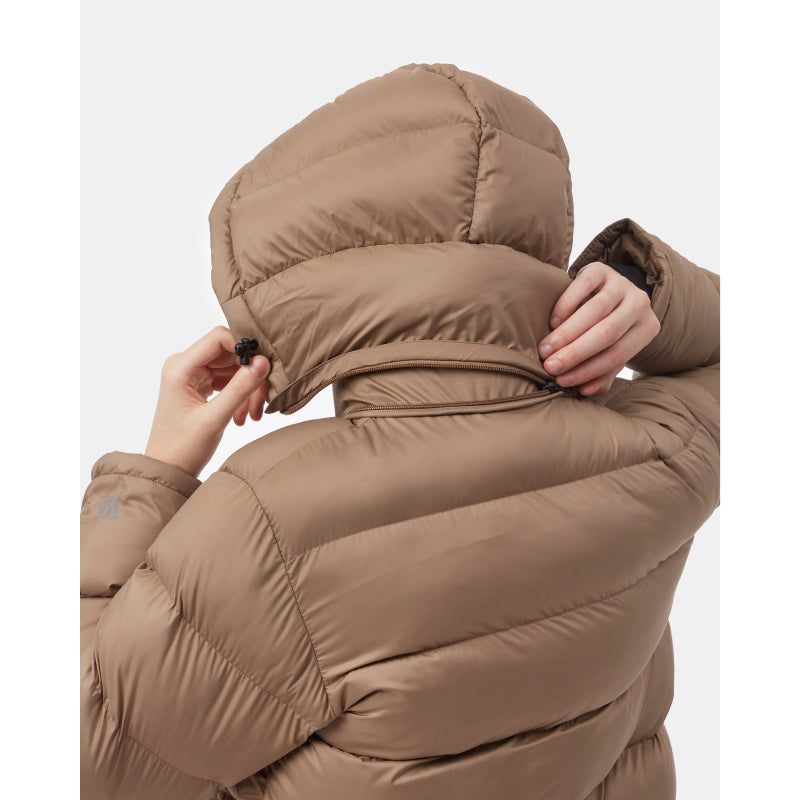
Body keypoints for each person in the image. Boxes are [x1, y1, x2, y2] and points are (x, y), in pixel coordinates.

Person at [80, 62, 719, 800]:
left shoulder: (269, 521)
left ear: (290, 274)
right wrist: (647, 294)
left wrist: (151, 472)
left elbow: (90, 759)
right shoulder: (658, 448)